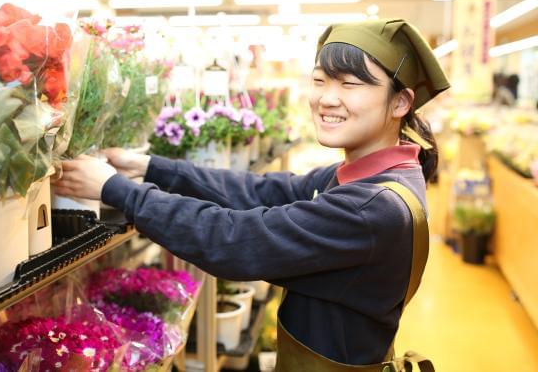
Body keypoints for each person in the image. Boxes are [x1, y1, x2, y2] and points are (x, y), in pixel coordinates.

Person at [53, 19, 449, 371]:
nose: (328, 98)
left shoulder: (371, 208)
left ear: (400, 101)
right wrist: (150, 167)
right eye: (320, 80)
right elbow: (262, 191)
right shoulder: (373, 177)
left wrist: (115, 190)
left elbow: (237, 240)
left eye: (350, 83)